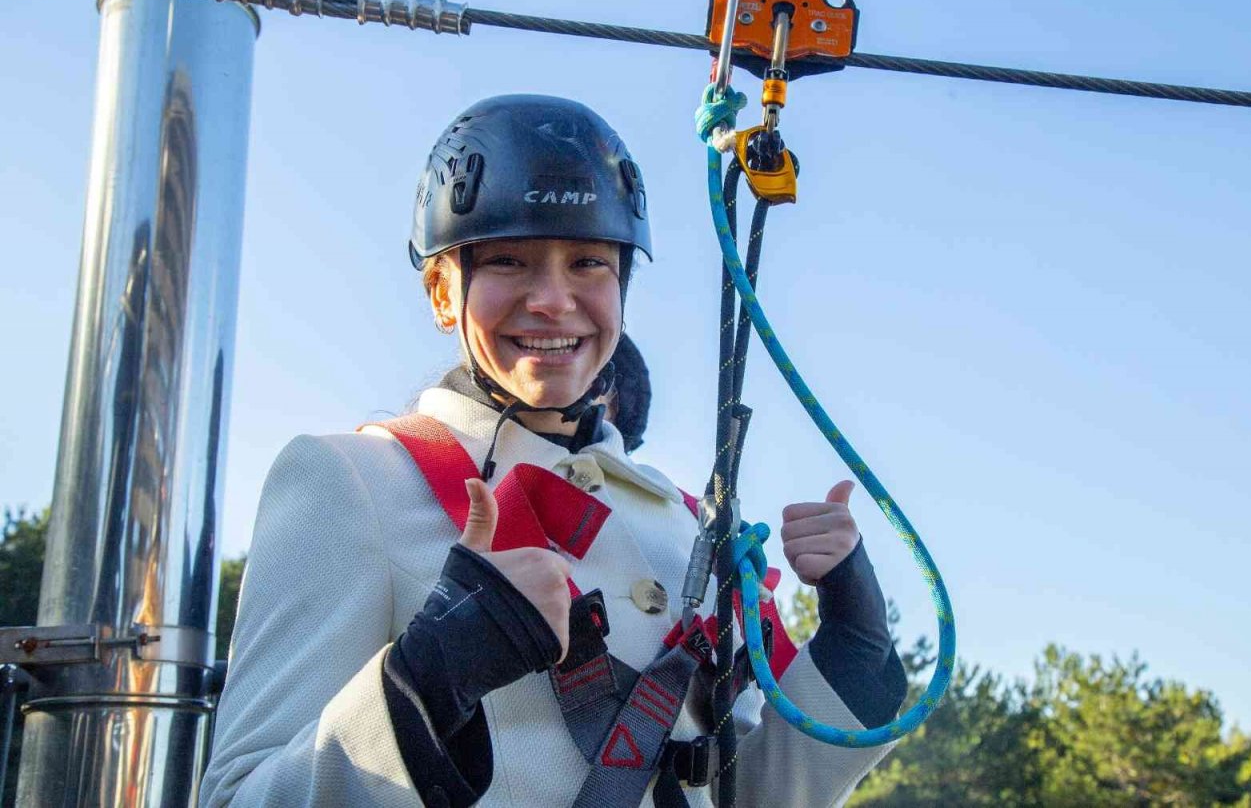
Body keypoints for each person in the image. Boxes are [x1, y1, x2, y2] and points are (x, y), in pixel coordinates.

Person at [199, 94, 906, 808]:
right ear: (442, 292)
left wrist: (851, 654)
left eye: (588, 263)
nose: (554, 299)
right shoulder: (350, 482)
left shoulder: (686, 521)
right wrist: (427, 683)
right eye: (509, 260)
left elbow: (740, 797)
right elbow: (239, 796)